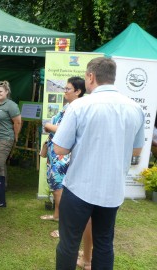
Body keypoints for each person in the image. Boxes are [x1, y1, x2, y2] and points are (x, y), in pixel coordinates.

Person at [53, 57, 144, 270]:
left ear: (91, 76)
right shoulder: (134, 107)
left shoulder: (79, 106)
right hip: (112, 189)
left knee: (69, 244)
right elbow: (137, 151)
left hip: (79, 187)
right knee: (104, 243)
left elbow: (59, 149)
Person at [40, 77, 86, 229]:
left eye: (68, 89)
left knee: (60, 189)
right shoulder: (69, 106)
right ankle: (56, 216)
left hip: (63, 155)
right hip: (55, 152)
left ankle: (63, 225)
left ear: (78, 91)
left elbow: (65, 131)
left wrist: (48, 126)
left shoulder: (78, 108)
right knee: (55, 186)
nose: (64, 91)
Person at [0, 80, 21, 185]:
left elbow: (17, 122)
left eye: (0, 91)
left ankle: (1, 188)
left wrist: (16, 136)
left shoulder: (11, 105)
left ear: (6, 92)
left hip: (5, 138)